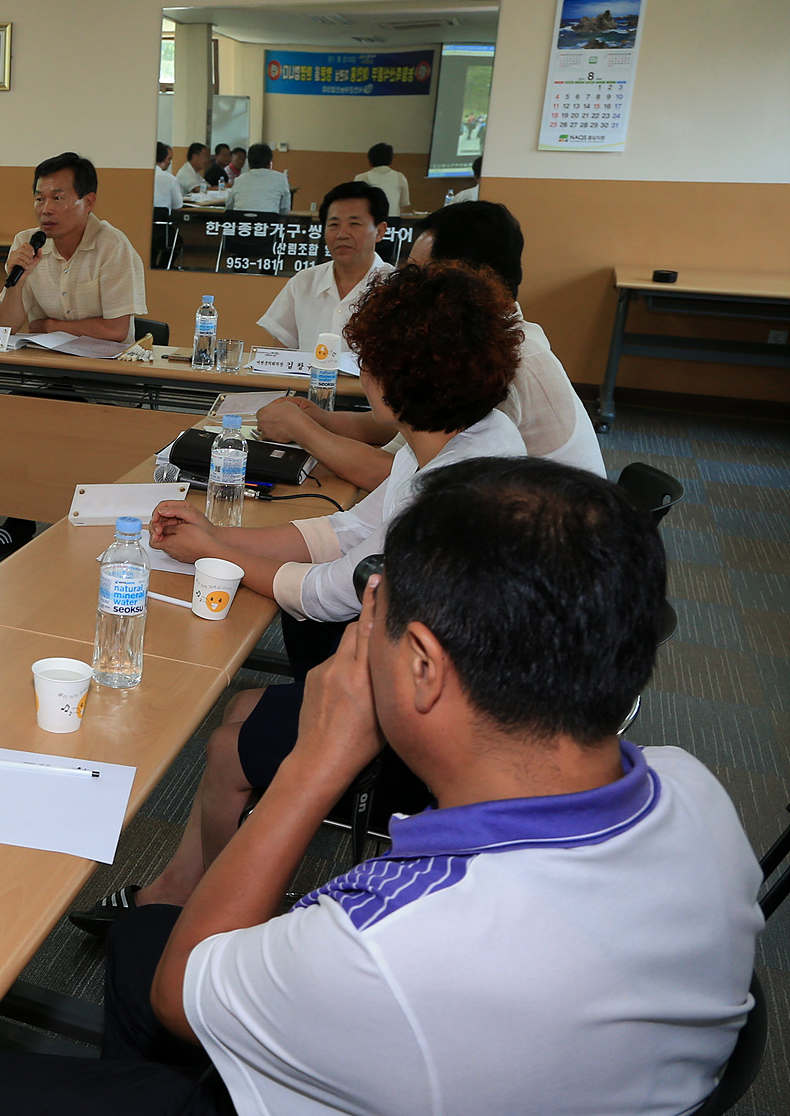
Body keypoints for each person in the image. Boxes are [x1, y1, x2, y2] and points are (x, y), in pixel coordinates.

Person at [0, 453, 761, 1116]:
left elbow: (180, 992)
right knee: (138, 940)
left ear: (422, 665)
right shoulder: (698, 794)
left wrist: (316, 762)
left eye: (375, 612)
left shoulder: (392, 952)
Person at [74, 261, 529, 933]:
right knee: (237, 713)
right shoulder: (455, 437)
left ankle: (208, 918)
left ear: (390, 378)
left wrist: (220, 554)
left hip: (441, 715)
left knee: (232, 745)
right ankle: (183, 887)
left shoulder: (456, 484)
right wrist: (218, 539)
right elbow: (349, 529)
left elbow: (334, 592)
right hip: (441, 675)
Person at [257, 201, 604, 489]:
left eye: (419, 274)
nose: (405, 286)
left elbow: (397, 477)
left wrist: (303, 431)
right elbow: (408, 429)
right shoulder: (493, 334)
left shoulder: (505, 362)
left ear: (462, 281)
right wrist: (324, 421)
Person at [0, 152, 147, 557]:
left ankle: (73, 517)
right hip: (48, 368)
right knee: (18, 410)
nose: (45, 209)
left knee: (56, 411)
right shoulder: (26, 243)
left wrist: (52, 326)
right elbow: (11, 324)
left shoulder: (113, 247)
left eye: (57, 197)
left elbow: (116, 331)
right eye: (39, 198)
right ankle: (17, 517)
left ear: (87, 202)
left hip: (107, 375)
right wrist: (18, 282)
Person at [255, 180, 392, 354]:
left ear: (380, 231)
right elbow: (281, 354)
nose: (342, 234)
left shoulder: (396, 288)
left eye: (354, 224)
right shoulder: (303, 282)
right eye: (334, 225)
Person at [221, 143, 292, 215]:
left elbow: (229, 206)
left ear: (248, 162)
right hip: (268, 223)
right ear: (270, 162)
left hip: (242, 222)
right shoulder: (281, 178)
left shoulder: (239, 179)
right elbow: (285, 209)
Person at [355, 141, 412, 217]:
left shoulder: (361, 178)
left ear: (370, 161)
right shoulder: (400, 177)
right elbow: (404, 203)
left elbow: (356, 203)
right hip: (393, 220)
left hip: (370, 220)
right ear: (391, 161)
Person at [152, 142, 185, 215]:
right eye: (169, 159)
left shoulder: (140, 177)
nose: (170, 163)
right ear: (164, 158)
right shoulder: (170, 179)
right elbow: (177, 206)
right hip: (163, 223)